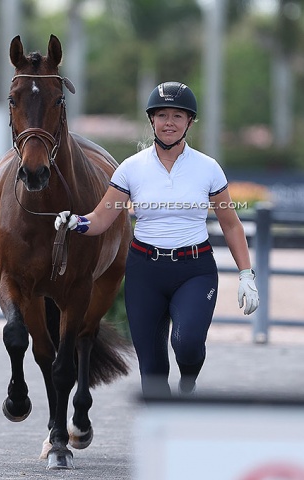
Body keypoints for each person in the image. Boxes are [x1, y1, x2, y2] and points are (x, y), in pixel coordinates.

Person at [55, 81, 259, 397]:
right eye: (162, 115)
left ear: (189, 122)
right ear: (152, 120)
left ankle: (188, 383)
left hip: (194, 270)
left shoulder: (208, 168)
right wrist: (75, 222)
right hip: (144, 272)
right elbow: (100, 218)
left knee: (187, 344)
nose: (169, 122)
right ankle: (165, 431)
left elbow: (231, 225)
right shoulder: (130, 169)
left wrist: (247, 273)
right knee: (152, 371)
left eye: (177, 116)